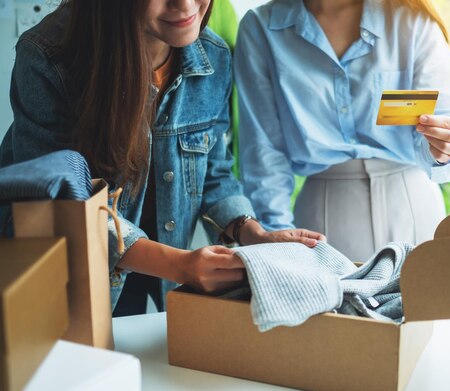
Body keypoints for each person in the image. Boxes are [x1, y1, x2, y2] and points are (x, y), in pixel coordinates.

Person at [0, 0, 325, 315]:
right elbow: (59, 204)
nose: (185, 6)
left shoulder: (213, 57)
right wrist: (179, 264)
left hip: (163, 275)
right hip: (73, 279)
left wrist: (251, 232)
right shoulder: (48, 58)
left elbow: (213, 171)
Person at [235, 0, 450, 261]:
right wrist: (277, 242)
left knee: (427, 298)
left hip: (414, 204)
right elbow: (264, 152)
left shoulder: (412, 18)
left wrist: (447, 147)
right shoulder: (260, 28)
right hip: (322, 217)